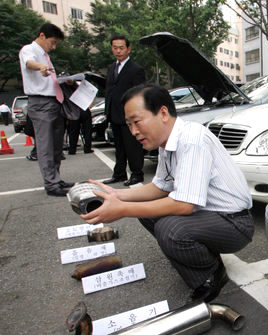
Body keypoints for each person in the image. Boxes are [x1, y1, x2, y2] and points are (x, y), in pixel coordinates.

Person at [81, 84, 254, 303]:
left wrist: (123, 210)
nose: (133, 131)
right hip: (211, 216)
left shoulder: (191, 139)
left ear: (163, 113)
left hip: (235, 223)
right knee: (147, 213)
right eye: (129, 125)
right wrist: (117, 195)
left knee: (170, 229)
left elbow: (184, 205)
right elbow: (160, 187)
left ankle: (211, 275)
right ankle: (203, 257)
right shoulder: (167, 143)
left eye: (137, 122)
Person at [19, 23, 73, 196]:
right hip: (41, 103)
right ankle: (51, 184)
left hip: (54, 102)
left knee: (57, 145)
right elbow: (29, 63)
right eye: (53, 42)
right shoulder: (30, 50)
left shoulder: (45, 55)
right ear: (42, 36)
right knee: (46, 145)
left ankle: (55, 177)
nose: (54, 46)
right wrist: (40, 66)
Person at [104, 35, 146, 186]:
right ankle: (119, 173)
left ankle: (137, 173)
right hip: (114, 113)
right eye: (115, 47)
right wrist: (106, 109)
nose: (118, 51)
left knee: (132, 146)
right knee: (119, 146)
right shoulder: (111, 68)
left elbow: (139, 93)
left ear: (128, 49)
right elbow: (109, 90)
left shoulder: (136, 69)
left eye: (121, 47)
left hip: (129, 115)